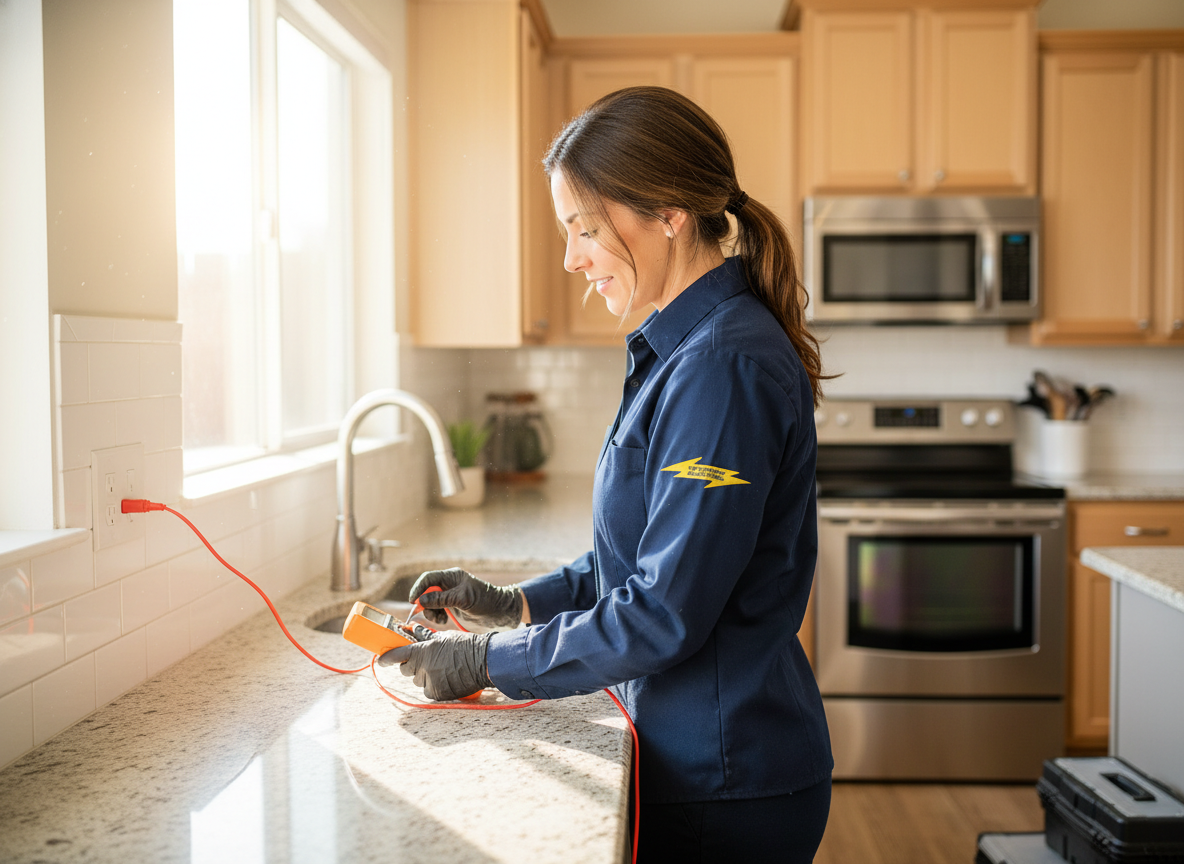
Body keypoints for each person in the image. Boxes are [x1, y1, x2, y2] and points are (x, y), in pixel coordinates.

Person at [380, 86, 833, 862]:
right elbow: (642, 556)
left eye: (585, 228)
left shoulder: (721, 367)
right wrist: (515, 602)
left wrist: (486, 662)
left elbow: (662, 613)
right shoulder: (687, 351)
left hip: (725, 779)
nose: (571, 257)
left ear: (668, 213)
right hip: (697, 761)